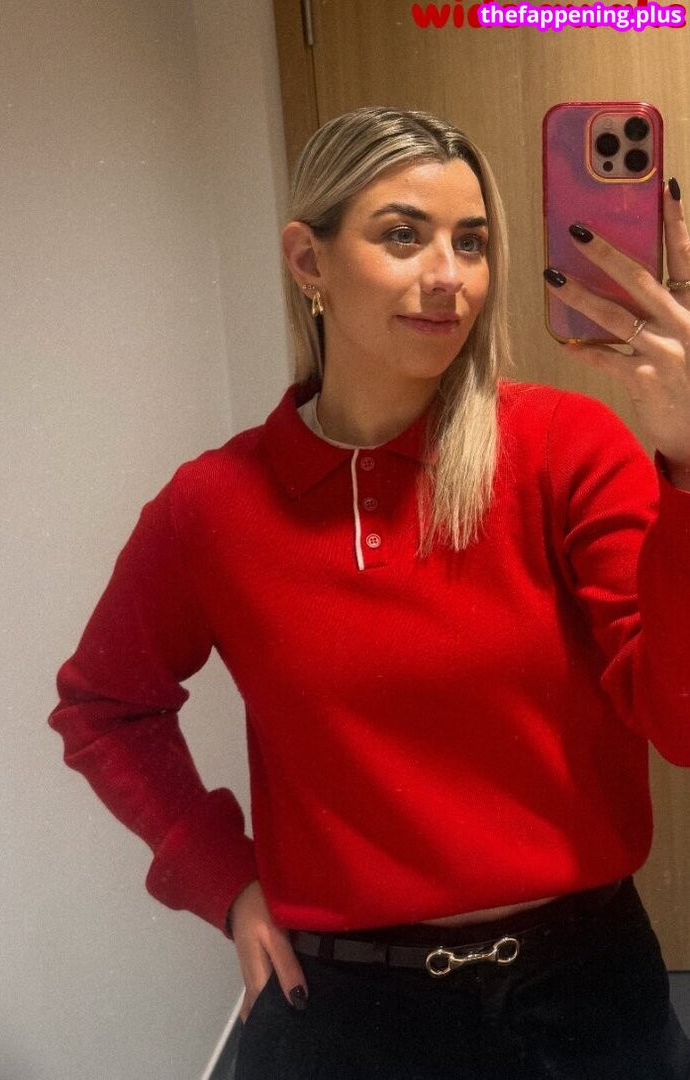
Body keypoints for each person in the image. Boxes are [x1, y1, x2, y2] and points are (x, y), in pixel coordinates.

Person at [49, 107, 690, 1078]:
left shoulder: (566, 450)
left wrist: (685, 463)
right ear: (307, 260)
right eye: (402, 235)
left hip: (585, 992)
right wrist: (220, 878)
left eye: (470, 242)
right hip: (342, 1010)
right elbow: (103, 707)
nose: (448, 275)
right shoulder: (213, 506)